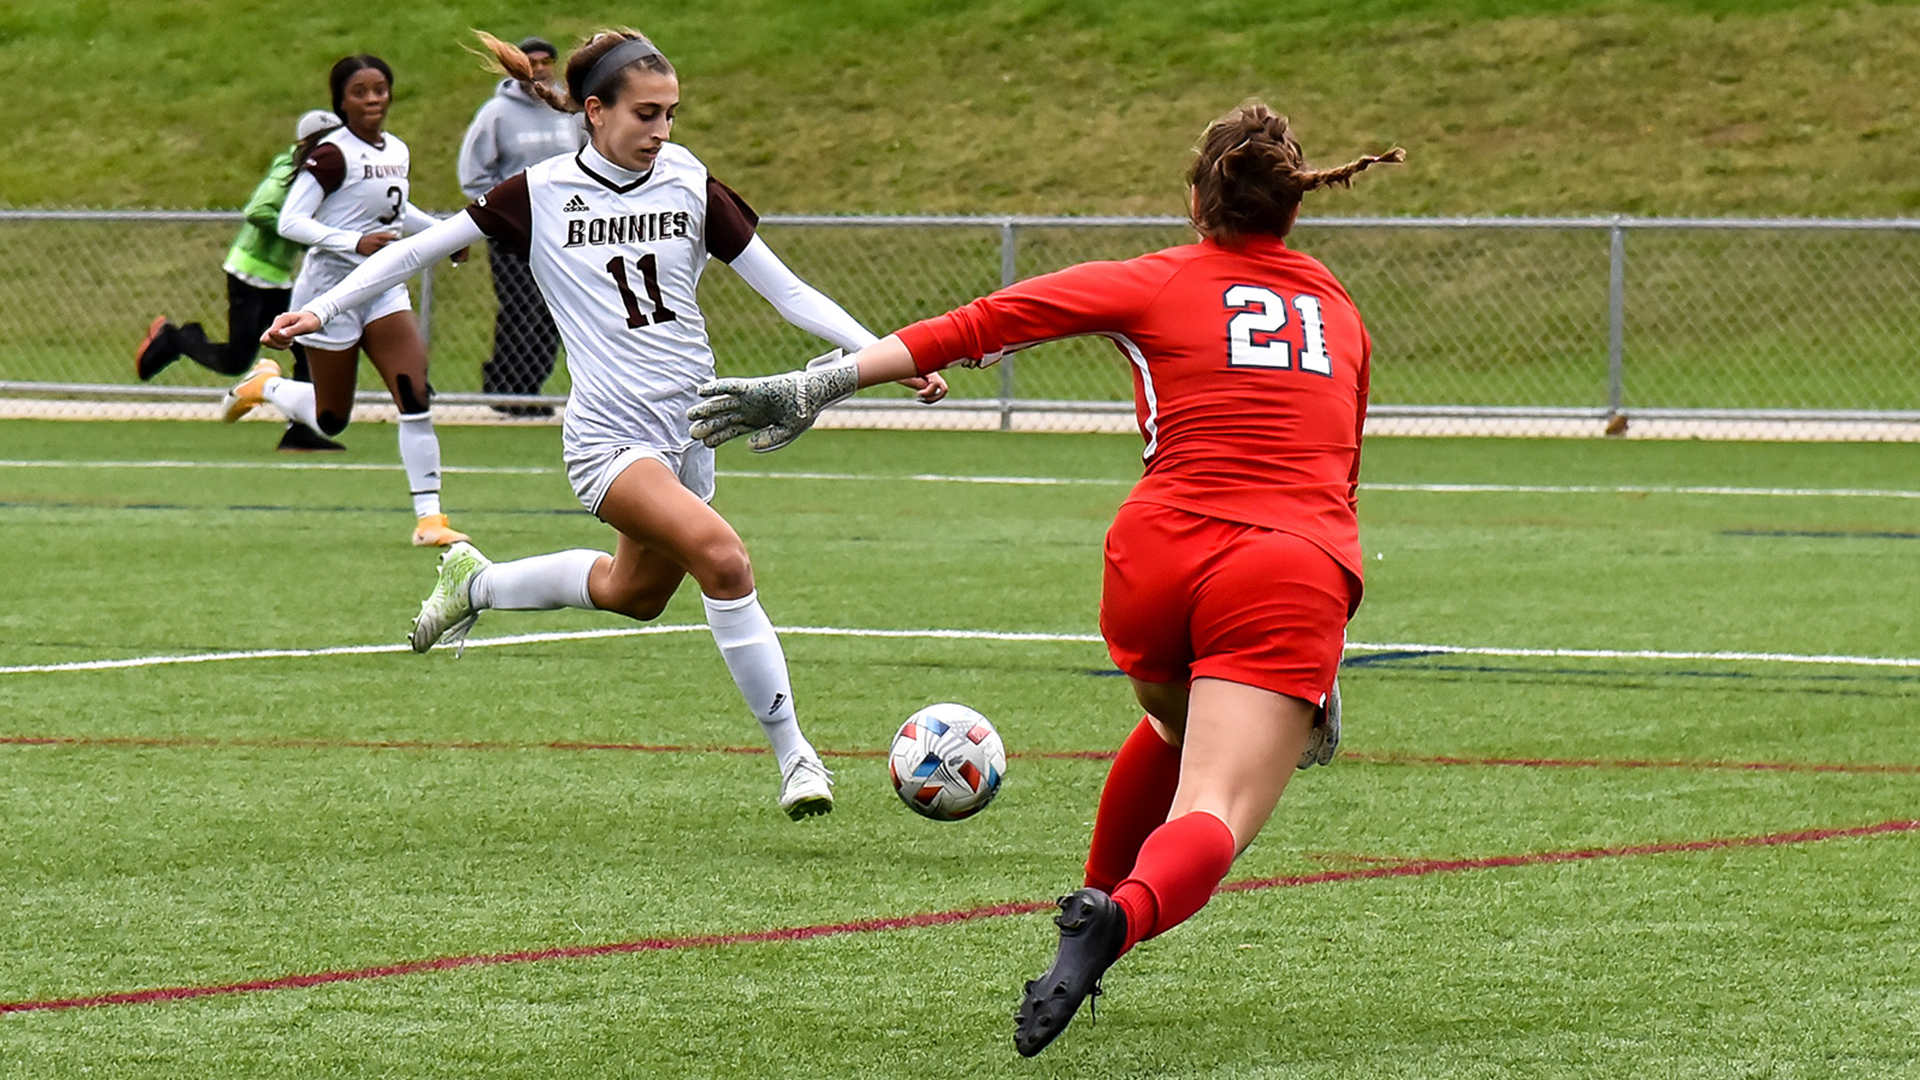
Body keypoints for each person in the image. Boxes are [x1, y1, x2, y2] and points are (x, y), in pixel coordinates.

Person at [688, 102, 1401, 1054]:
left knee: (1170, 720)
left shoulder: (1155, 279)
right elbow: (1337, 474)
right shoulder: (1340, 311)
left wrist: (819, 382)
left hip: (1155, 553)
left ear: (1195, 200)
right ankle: (1120, 916)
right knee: (1213, 810)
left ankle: (1090, 905)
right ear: (1294, 211)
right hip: (1286, 565)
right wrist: (1314, 647)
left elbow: (986, 322)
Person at [262, 28, 948, 819]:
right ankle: (797, 757)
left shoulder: (688, 181)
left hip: (690, 434)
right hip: (606, 439)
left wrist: (888, 354)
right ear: (595, 111)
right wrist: (321, 306)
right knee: (724, 561)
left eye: (672, 114)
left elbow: (788, 293)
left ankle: (473, 582)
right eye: (646, 114)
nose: (663, 131)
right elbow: (418, 252)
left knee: (635, 593)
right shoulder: (540, 190)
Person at [226, 54, 470, 546]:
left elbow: (396, 212)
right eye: (361, 91)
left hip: (382, 286)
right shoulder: (332, 155)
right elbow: (291, 221)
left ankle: (430, 521)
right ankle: (265, 387)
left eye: (380, 88)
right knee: (333, 418)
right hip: (328, 292)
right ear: (342, 100)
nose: (373, 99)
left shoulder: (396, 149)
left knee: (415, 396)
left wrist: (446, 234)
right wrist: (352, 242)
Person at [135, 108, 346, 452]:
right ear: (311, 142)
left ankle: (300, 431)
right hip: (250, 271)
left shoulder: (319, 175)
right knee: (236, 360)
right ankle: (176, 339)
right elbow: (257, 210)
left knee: (305, 349)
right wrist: (301, 229)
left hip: (276, 277)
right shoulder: (288, 169)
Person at [458, 35, 587, 416]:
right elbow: (474, 173)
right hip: (514, 231)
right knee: (520, 306)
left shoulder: (569, 110)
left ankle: (531, 390)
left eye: (547, 60)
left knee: (552, 309)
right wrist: (501, 212)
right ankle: (504, 388)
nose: (540, 68)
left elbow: (586, 160)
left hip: (562, 231)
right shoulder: (496, 114)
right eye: (532, 61)